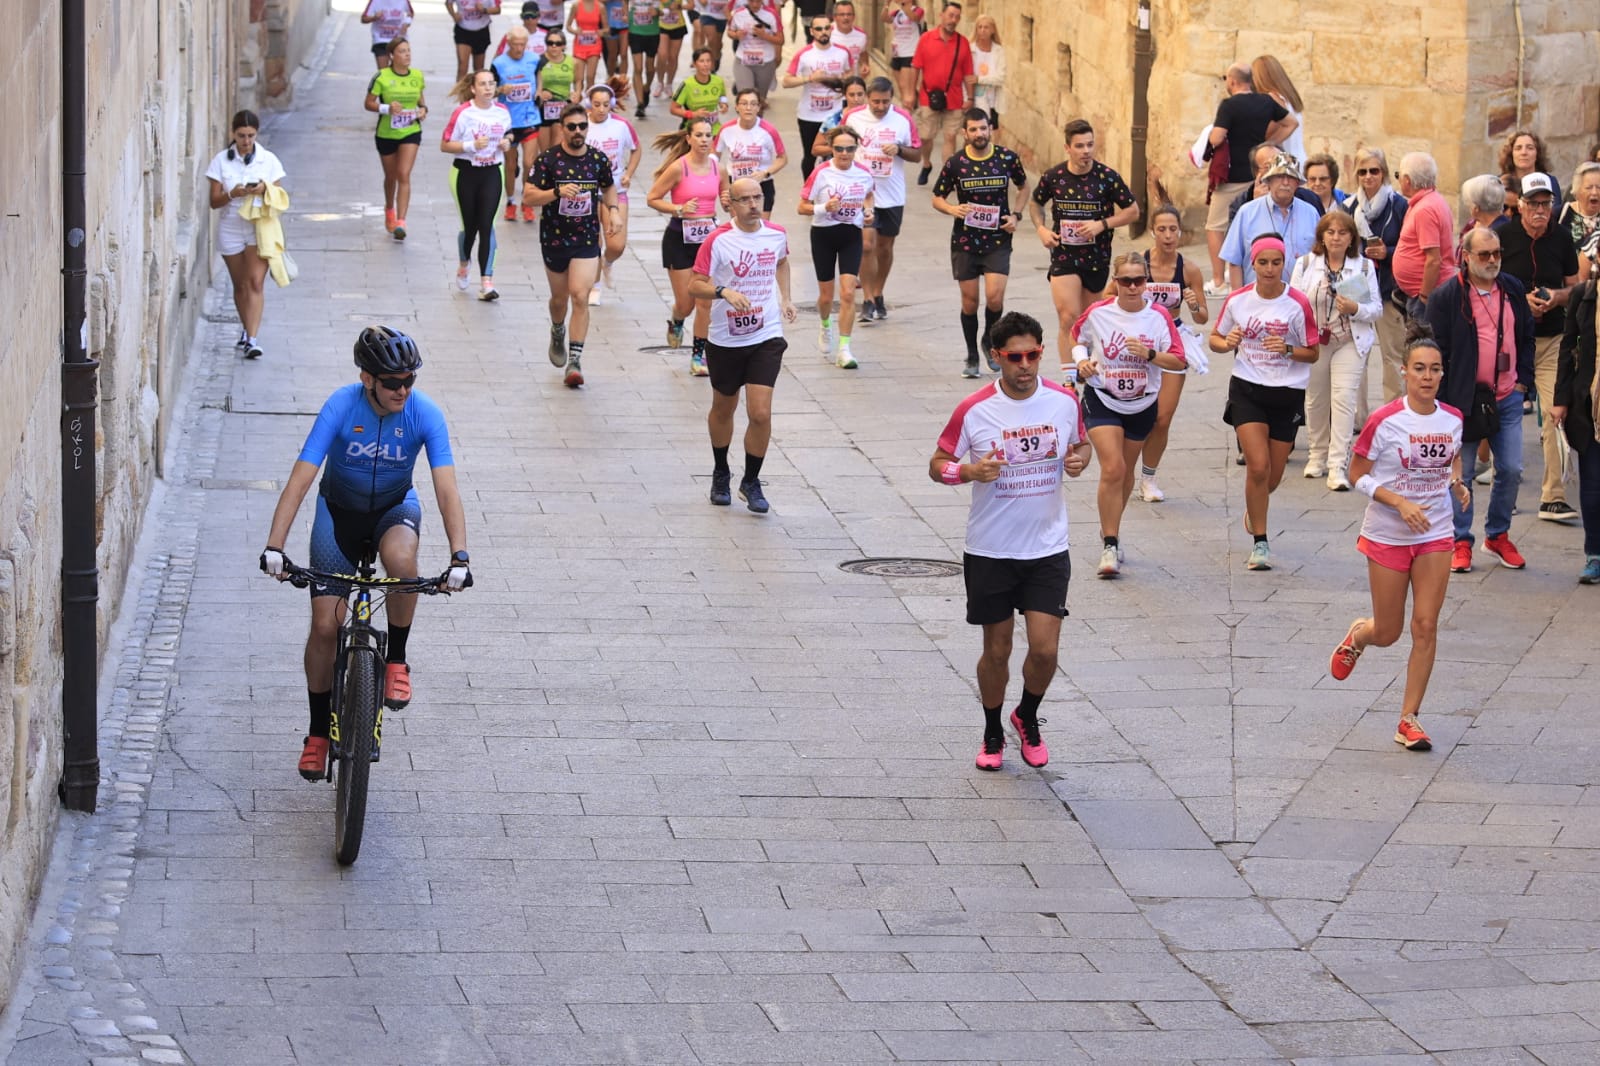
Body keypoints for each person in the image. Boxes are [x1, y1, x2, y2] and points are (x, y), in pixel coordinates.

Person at [260, 327, 470, 780]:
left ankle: (395, 658)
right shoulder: (341, 405)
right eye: (392, 381)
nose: (402, 390)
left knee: (402, 563)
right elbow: (301, 477)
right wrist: (275, 545)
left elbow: (446, 487)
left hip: (394, 510)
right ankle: (318, 732)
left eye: (409, 380)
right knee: (324, 627)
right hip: (338, 516)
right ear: (366, 378)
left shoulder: (424, 413)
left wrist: (460, 556)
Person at [928, 311, 1092, 772]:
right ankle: (993, 728)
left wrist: (1079, 459)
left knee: (1044, 650)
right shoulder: (974, 409)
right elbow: (937, 463)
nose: (1025, 365)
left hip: (1047, 548)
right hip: (991, 550)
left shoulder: (1062, 402)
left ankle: (1028, 716)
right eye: (1015, 357)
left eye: (1033, 355)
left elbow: (1081, 444)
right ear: (996, 357)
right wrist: (968, 472)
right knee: (996, 650)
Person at [1329, 321, 1469, 753]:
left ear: (1442, 375)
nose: (1428, 377)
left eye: (1435, 370)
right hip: (1389, 533)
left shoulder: (1453, 419)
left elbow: (1453, 457)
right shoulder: (1385, 420)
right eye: (1420, 369)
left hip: (1436, 532)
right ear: (1405, 372)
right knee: (1389, 631)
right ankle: (1360, 636)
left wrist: (1457, 482)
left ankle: (1409, 718)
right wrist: (1397, 502)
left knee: (1425, 626)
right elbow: (1356, 475)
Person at [1425, 226, 1535, 574]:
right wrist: (1441, 402)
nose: (1491, 261)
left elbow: (1527, 336)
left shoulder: (1513, 288)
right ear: (1466, 257)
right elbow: (1435, 348)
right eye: (1484, 255)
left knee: (1512, 469)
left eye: (1497, 254)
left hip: (1507, 395)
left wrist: (1523, 382)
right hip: (1463, 400)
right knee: (1463, 473)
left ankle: (1498, 535)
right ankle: (1460, 539)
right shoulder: (1447, 296)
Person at [1069, 254, 1186, 578]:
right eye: (1126, 281)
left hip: (1142, 403)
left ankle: (1112, 529)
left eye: (1138, 280)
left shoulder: (1158, 316)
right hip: (1102, 397)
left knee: (1126, 471)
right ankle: (1109, 544)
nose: (1133, 287)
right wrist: (1082, 363)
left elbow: (1178, 361)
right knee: (1113, 466)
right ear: (1116, 282)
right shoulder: (1100, 312)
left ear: (1146, 282)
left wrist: (1149, 354)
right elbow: (1075, 338)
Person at [689, 177, 799, 514]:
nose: (753, 204)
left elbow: (781, 262)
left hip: (765, 334)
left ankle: (751, 481)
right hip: (725, 337)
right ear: (731, 204)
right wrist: (724, 292)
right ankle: (721, 471)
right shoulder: (718, 240)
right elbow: (695, 284)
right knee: (724, 407)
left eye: (758, 197)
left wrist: (786, 297)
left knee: (760, 412)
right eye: (745, 199)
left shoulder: (776, 233)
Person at [1212, 234, 1320, 571]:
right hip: (1247, 388)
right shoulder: (1238, 300)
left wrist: (1287, 349)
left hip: (1287, 392)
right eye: (1263, 263)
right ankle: (1261, 542)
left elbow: (1313, 352)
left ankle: (1254, 507)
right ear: (1252, 264)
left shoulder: (1297, 303)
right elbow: (1215, 339)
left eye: (1276, 262)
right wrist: (1226, 341)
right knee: (1257, 466)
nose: (1270, 269)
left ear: (1284, 263)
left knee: (1271, 477)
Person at [1498, 171, 1582, 523]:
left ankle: (1553, 496)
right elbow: (1486, 283)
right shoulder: (1502, 236)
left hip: (1551, 340)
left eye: (1546, 204)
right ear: (1520, 205)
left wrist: (1555, 298)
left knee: (1554, 414)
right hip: (1509, 340)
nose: (1540, 210)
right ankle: (1504, 489)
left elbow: (1575, 290)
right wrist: (1521, 302)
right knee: (1500, 413)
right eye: (1533, 203)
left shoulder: (1562, 239)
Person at [1029, 119, 1140, 374]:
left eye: (1090, 145)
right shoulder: (1054, 176)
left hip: (1096, 257)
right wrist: (1042, 229)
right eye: (1079, 146)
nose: (1086, 151)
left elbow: (1133, 211)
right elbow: (1036, 203)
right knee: (1068, 315)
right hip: (1064, 255)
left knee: (1089, 319)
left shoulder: (1107, 177)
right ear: (1067, 147)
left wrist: (1103, 224)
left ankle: (1088, 367)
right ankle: (1069, 376)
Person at [524, 102, 621, 387]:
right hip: (554, 238)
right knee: (559, 299)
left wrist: (613, 210)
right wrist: (556, 191)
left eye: (582, 126)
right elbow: (529, 196)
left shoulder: (597, 159)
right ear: (562, 129)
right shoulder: (548, 161)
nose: (578, 131)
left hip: (586, 238)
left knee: (580, 295)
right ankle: (557, 330)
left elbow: (608, 186)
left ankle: (575, 360)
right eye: (572, 127)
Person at [931, 108, 1028, 378]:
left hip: (998, 238)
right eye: (973, 129)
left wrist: (1016, 215)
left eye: (983, 128)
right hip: (965, 240)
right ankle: (972, 354)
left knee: (995, 298)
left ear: (990, 129)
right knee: (970, 301)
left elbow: (1024, 187)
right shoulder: (956, 163)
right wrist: (952, 209)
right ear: (965, 133)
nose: (979, 134)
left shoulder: (1007, 158)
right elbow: (937, 196)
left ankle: (988, 339)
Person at [1290, 211, 1382, 489]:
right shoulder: (1306, 264)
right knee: (1315, 400)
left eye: (1342, 232)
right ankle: (1317, 456)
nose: (1336, 238)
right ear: (1321, 236)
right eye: (1330, 232)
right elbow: (1293, 303)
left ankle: (1337, 465)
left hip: (1349, 340)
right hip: (1316, 340)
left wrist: (1355, 309)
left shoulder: (1363, 267)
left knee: (1344, 399)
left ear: (1352, 237)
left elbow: (1375, 309)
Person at [1134, 203, 1209, 502]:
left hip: (1174, 339)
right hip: (1139, 338)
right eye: (1162, 229)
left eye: (1173, 229)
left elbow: (1203, 316)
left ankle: (1148, 479)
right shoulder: (1138, 265)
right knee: (1138, 412)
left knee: (1163, 417)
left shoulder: (1188, 269)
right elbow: (1107, 298)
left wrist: (1192, 304)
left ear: (1180, 232)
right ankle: (1125, 469)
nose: (1168, 235)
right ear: (1153, 232)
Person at [1204, 63, 1296, 294]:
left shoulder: (1229, 105)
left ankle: (1218, 281)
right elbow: (1291, 123)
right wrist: (1269, 144)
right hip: (1259, 173)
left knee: (1215, 226)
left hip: (1232, 176)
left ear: (1232, 81)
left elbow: (1216, 138)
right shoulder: (1265, 101)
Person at [206, 110, 286, 360]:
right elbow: (214, 201)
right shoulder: (221, 161)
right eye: (241, 135)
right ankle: (245, 328)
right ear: (233, 133)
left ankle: (252, 338)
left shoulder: (268, 160)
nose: (246, 141)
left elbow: (280, 197)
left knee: (255, 283)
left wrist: (264, 189)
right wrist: (234, 194)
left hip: (257, 227)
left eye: (251, 136)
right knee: (240, 285)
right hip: (231, 226)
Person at [647, 118, 722, 375]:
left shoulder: (717, 167)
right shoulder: (679, 168)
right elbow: (652, 198)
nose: (703, 140)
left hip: (707, 242)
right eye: (698, 135)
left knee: (705, 303)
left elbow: (727, 195)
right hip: (679, 239)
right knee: (686, 303)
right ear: (688, 138)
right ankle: (677, 319)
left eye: (707, 135)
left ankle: (698, 357)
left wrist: (729, 200)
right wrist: (678, 208)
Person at [845, 77, 922, 322]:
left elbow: (917, 154)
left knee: (885, 248)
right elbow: (839, 145)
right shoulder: (853, 117)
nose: (880, 106)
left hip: (892, 194)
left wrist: (899, 149)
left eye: (885, 102)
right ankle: (867, 299)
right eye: (876, 101)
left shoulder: (902, 119)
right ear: (868, 98)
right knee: (866, 246)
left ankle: (878, 292)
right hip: (862, 195)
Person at [800, 125, 875, 370]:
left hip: (850, 235)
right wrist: (824, 208)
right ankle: (824, 325)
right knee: (825, 296)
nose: (844, 153)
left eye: (850, 149)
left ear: (856, 149)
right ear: (831, 149)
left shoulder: (863, 173)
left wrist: (868, 210)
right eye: (839, 149)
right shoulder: (821, 173)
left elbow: (868, 195)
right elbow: (802, 206)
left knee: (848, 293)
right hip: (823, 235)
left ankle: (844, 349)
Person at [1339, 147, 1409, 401]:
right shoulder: (1348, 207)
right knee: (1356, 353)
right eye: (1363, 172)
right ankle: (1358, 417)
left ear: (1384, 173)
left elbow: (1409, 246)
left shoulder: (1399, 206)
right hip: (1357, 287)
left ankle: (1393, 410)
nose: (1368, 177)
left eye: (1374, 171)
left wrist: (1387, 252)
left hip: (1389, 288)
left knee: (1393, 354)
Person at [439, 72, 513, 301]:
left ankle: (486, 282)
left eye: (491, 84)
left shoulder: (502, 111)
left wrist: (507, 142)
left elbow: (510, 134)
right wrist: (471, 145)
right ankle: (464, 263)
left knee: (487, 225)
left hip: (492, 172)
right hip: (466, 172)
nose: (488, 88)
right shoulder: (463, 113)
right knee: (470, 227)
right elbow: (445, 144)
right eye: (483, 84)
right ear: (473, 89)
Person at [1553, 273, 1600, 583]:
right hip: (1589, 403)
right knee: (1593, 487)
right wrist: (1561, 399)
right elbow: (1567, 349)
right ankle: (1594, 553)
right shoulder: (1585, 294)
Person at [1221, 154, 1319, 288]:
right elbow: (1234, 261)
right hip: (1255, 299)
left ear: (1297, 183)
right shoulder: (1247, 212)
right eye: (1279, 177)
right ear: (1269, 181)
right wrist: (1237, 300)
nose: (1285, 183)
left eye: (1291, 178)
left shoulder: (1311, 213)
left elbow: (1320, 259)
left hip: (1298, 300)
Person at [584, 84, 642, 304]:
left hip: (616, 190)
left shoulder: (621, 125)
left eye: (606, 105)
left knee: (616, 244)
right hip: (588, 193)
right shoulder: (583, 125)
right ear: (589, 103)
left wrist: (629, 172)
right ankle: (594, 286)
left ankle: (607, 263)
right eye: (596, 104)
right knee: (593, 242)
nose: (601, 109)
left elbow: (636, 148)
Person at [365, 39, 428, 243]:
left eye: (409, 50)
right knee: (391, 176)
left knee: (403, 173)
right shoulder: (382, 77)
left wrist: (422, 111)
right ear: (392, 55)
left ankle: (401, 222)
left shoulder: (417, 76)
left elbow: (422, 102)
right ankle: (389, 208)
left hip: (411, 130)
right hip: (386, 133)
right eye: (402, 51)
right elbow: (368, 103)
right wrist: (387, 108)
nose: (407, 55)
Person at [911, 2, 973, 186]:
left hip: (954, 98)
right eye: (950, 15)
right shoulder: (926, 39)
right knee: (926, 137)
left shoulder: (963, 43)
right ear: (941, 15)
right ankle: (927, 163)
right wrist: (910, 92)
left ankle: (947, 175)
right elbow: (916, 67)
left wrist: (970, 98)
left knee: (950, 136)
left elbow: (968, 72)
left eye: (956, 17)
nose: (953, 20)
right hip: (928, 96)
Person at [782, 15, 851, 181]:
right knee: (810, 155)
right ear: (812, 31)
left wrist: (836, 79)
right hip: (809, 115)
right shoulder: (804, 54)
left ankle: (834, 187)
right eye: (819, 29)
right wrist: (809, 79)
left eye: (827, 28)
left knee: (836, 152)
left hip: (834, 114)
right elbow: (786, 81)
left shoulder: (842, 52)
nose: (823, 32)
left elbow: (849, 77)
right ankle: (809, 190)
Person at [1392, 152, 1457, 320]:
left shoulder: (1425, 209)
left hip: (1425, 296)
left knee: (1423, 343)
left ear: (1407, 180)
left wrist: (1424, 297)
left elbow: (1434, 259)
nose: (1398, 180)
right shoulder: (1428, 202)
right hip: (1419, 293)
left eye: (1398, 175)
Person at [491, 27, 542, 222]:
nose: (519, 48)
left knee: (529, 163)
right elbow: (490, 89)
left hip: (530, 118)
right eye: (515, 44)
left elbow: (539, 76)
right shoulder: (499, 63)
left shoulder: (534, 59)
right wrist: (501, 89)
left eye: (522, 44)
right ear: (509, 43)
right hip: (508, 121)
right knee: (510, 165)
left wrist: (539, 92)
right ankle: (511, 201)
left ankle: (526, 203)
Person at [714, 87, 788, 219]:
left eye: (753, 104)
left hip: (762, 185)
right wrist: (720, 183)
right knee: (738, 228)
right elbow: (714, 158)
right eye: (744, 103)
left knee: (761, 229)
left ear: (758, 108)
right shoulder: (726, 130)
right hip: (735, 184)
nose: (748, 108)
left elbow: (782, 158)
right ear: (736, 107)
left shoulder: (768, 131)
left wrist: (765, 173)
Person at [1250, 55, 1304, 166]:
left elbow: (1267, 131)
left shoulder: (1272, 99)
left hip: (1285, 164)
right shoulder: (1289, 97)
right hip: (1299, 158)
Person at [727, 0, 783, 104]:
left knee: (759, 102)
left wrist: (764, 36)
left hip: (765, 63)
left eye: (758, 1)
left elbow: (780, 40)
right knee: (746, 98)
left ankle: (758, 119)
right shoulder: (738, 13)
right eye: (752, 1)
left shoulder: (771, 14)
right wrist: (736, 35)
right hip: (743, 61)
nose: (755, 5)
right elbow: (730, 31)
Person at [534, 32, 580, 151]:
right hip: (543, 108)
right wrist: (540, 92)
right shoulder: (538, 61)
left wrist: (577, 94)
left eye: (558, 43)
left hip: (563, 107)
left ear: (564, 46)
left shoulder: (573, 62)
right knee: (544, 151)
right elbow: (531, 83)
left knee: (556, 149)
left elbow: (578, 81)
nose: (554, 46)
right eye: (550, 43)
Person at [671, 47, 731, 133]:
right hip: (692, 130)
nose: (706, 64)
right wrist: (693, 114)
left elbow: (722, 96)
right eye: (701, 61)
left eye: (708, 61)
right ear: (695, 64)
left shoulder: (718, 81)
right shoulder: (687, 84)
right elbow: (673, 109)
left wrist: (724, 104)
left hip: (714, 129)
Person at [447, 0, 502, 82]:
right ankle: (460, 93)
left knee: (478, 69)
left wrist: (484, 10)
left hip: (481, 31)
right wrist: (454, 15)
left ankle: (477, 92)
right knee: (462, 66)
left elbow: (497, 10)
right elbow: (448, 3)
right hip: (463, 30)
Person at [885, 0, 925, 111]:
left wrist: (905, 5)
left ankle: (909, 116)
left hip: (910, 54)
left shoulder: (917, 10)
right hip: (897, 53)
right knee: (902, 90)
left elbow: (914, 17)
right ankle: (912, 112)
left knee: (908, 93)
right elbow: (884, 18)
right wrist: (887, 4)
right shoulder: (897, 13)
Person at [1500, 129, 1560, 203]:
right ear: (1511, 154)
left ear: (1537, 154)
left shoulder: (1550, 182)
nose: (1524, 152)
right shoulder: (1499, 183)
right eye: (1518, 148)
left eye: (1530, 148)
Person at [1558, 161, 1600, 262]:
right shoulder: (1561, 213)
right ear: (1578, 190)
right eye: (1588, 188)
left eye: (1599, 187)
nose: (1594, 192)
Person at [968, 14, 1003, 129]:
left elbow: (1000, 78)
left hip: (992, 100)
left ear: (992, 30)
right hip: (974, 99)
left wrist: (979, 79)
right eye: (980, 27)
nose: (982, 30)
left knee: (988, 135)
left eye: (986, 27)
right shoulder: (970, 49)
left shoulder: (998, 51)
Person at [362, 0, 413, 69]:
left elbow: (410, 13)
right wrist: (374, 17)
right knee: (383, 72)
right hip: (381, 40)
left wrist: (406, 23)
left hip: (398, 40)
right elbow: (364, 18)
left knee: (400, 69)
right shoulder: (375, 1)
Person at [568, 0, 607, 89]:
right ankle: (577, 99)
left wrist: (602, 32)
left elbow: (606, 28)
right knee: (579, 78)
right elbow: (568, 26)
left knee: (590, 77)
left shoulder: (600, 6)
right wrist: (575, 31)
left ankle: (590, 100)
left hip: (594, 45)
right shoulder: (576, 5)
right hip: (579, 45)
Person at [656, 0, 689, 100]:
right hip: (661, 25)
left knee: (673, 57)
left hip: (678, 25)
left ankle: (669, 84)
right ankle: (660, 82)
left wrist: (679, 6)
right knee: (662, 54)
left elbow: (691, 5)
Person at [829, 0, 872, 76]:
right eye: (842, 14)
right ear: (835, 17)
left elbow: (862, 53)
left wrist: (865, 64)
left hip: (852, 82)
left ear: (854, 17)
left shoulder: (861, 35)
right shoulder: (827, 34)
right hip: (831, 83)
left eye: (849, 14)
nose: (846, 18)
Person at [695, 0, 731, 70]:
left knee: (718, 44)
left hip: (722, 15)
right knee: (711, 39)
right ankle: (711, 66)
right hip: (707, 14)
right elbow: (703, 3)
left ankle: (717, 56)